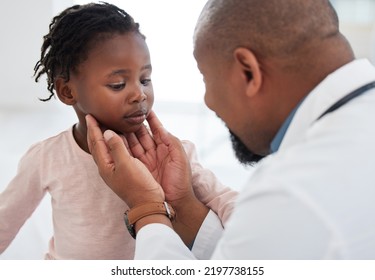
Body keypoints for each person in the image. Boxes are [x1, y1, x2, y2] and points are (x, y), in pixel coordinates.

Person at [87, 0, 375, 259]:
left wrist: (146, 207)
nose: (209, 102)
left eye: (206, 78)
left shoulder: (293, 191)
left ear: (248, 71)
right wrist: (183, 206)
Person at [0, 2, 236, 260]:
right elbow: (5, 221)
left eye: (145, 79)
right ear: (67, 91)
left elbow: (230, 205)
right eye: (118, 84)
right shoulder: (47, 157)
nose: (139, 94)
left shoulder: (173, 154)